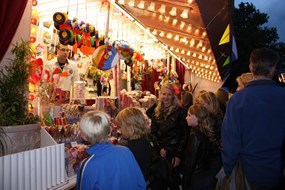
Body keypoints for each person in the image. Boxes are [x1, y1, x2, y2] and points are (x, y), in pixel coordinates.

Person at [221, 48, 285, 189]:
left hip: (246, 174)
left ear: (251, 67)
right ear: (273, 68)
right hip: (276, 171)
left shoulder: (237, 100)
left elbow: (230, 141)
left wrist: (229, 170)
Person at [76, 110, 146, 190]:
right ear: (110, 130)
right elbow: (141, 184)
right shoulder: (126, 151)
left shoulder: (87, 165)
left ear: (83, 136)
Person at [146, 83, 188, 190]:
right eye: (164, 94)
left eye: (169, 94)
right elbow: (153, 132)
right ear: (160, 94)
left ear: (173, 95)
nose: (166, 97)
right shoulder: (156, 109)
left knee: (173, 183)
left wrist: (178, 155)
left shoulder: (181, 111)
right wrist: (159, 149)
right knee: (157, 183)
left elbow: (185, 134)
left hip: (173, 151)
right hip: (159, 151)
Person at [182, 104, 222, 190]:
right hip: (205, 175)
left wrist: (185, 182)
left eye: (189, 115)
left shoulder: (195, 136)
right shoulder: (206, 130)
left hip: (196, 177)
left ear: (198, 117)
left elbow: (190, 162)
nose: (186, 118)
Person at [115, 107, 153, 181]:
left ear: (129, 127)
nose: (119, 130)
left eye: (121, 126)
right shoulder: (143, 141)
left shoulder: (131, 149)